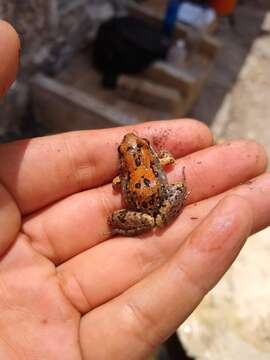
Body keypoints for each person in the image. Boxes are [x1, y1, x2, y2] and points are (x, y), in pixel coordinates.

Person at [0, 20, 270, 359]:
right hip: (152, 202)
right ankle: (162, 214)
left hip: (148, 206)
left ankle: (153, 217)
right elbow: (163, 163)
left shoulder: (130, 170)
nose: (131, 149)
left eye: (135, 147)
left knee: (122, 214)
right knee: (164, 198)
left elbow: (134, 177)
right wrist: (166, 181)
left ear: (140, 152)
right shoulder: (143, 164)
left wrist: (134, 185)